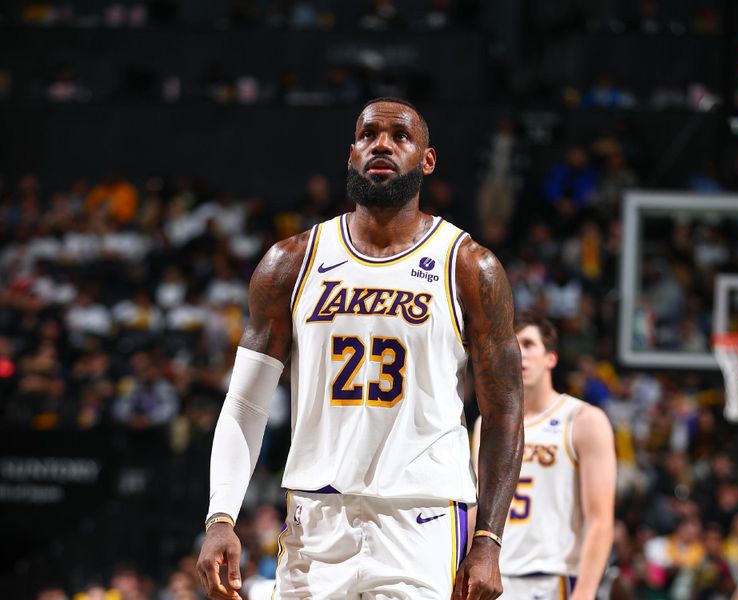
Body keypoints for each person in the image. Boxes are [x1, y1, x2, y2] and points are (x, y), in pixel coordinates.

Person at [196, 97, 524, 600]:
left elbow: (503, 411)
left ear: (427, 160)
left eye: (400, 136)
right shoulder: (290, 263)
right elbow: (245, 403)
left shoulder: (468, 267)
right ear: (351, 153)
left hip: (423, 513)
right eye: (369, 135)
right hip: (315, 516)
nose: (382, 145)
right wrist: (221, 515)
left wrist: (490, 540)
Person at [471, 313, 616, 599]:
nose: (519, 352)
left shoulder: (583, 419)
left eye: (528, 344)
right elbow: (477, 505)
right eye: (512, 344)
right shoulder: (487, 423)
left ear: (551, 358)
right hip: (494, 576)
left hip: (553, 577)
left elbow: (600, 519)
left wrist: (585, 593)